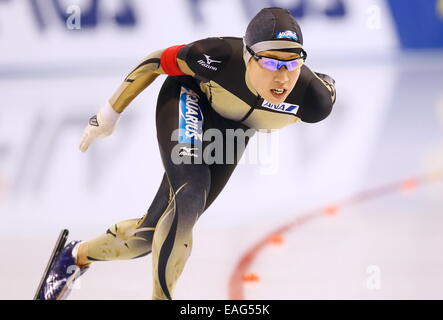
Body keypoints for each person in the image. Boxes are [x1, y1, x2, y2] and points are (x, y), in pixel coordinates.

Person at [37, 7, 336, 300]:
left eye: (292, 63)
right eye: (271, 63)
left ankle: (74, 257)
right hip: (191, 95)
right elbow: (156, 60)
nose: (282, 78)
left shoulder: (314, 100)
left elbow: (322, 83)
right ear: (247, 57)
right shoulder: (218, 57)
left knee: (147, 237)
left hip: (234, 132)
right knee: (190, 194)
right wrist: (109, 113)